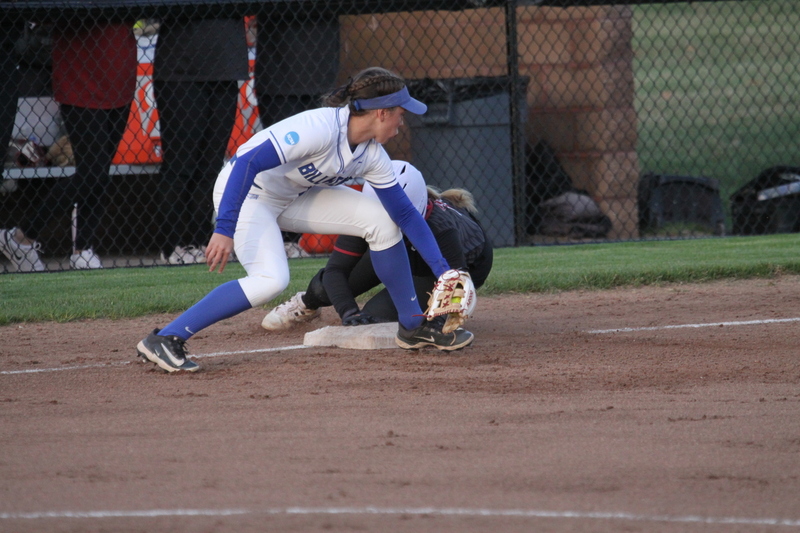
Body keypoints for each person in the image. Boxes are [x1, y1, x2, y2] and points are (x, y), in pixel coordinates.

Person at [136, 67, 474, 373]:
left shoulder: (372, 154)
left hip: (290, 196)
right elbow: (247, 162)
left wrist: (446, 270)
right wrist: (224, 229)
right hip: (245, 194)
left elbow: (405, 214)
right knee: (271, 279)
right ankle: (167, 337)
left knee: (383, 220)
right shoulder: (319, 128)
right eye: (399, 115)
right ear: (381, 113)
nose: (401, 124)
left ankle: (413, 326)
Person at [262, 160, 493, 329]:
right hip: (398, 251)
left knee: (376, 318)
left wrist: (441, 318)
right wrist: (348, 312)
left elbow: (458, 284)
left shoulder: (442, 230)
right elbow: (336, 271)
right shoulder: (367, 216)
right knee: (327, 290)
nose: (382, 220)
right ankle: (306, 303)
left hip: (453, 268)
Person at [0, 18, 136, 271]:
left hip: (120, 69)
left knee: (99, 170)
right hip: (79, 71)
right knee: (93, 171)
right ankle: (21, 236)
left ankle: (82, 249)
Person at [153, 18, 249, 265]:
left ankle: (197, 240)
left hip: (225, 68)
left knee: (211, 163)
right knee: (180, 162)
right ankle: (171, 244)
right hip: (181, 69)